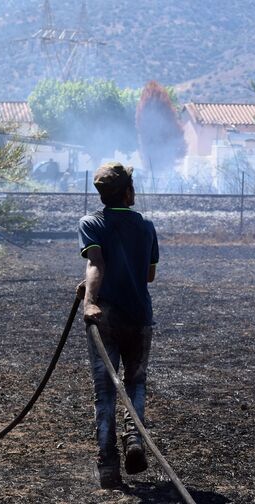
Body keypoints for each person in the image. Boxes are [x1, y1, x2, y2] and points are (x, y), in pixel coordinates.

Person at [78, 162, 159, 488]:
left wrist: (90, 299)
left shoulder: (92, 222)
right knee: (135, 383)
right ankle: (134, 440)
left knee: (105, 392)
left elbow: (96, 262)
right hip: (138, 317)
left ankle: (108, 465)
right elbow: (148, 275)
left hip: (106, 319)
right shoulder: (146, 227)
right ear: (128, 191)